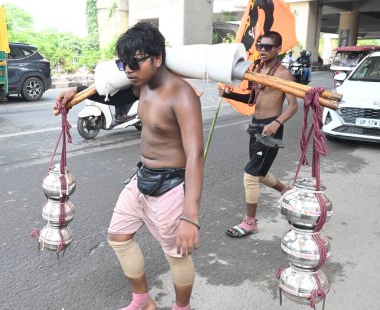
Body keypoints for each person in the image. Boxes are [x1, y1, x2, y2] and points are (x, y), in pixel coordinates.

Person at [55, 22, 204, 310]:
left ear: (157, 58)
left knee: (177, 254)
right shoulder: (142, 86)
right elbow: (111, 95)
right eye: (123, 63)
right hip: (142, 177)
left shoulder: (181, 95)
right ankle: (143, 300)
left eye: (134, 62)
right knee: (119, 236)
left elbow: (195, 156)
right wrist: (76, 91)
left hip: (172, 185)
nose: (128, 70)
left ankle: (182, 308)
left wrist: (190, 215)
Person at [218, 31, 298, 238]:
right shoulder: (258, 70)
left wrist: (276, 122)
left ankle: (250, 222)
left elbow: (293, 106)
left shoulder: (283, 74)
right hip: (256, 126)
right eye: (260, 46)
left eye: (268, 47)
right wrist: (229, 94)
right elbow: (252, 100)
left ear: (279, 49)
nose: (262, 50)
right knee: (259, 172)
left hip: (270, 129)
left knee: (251, 175)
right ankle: (285, 190)